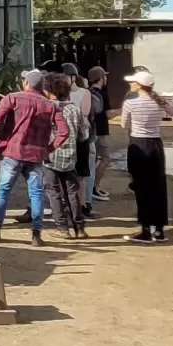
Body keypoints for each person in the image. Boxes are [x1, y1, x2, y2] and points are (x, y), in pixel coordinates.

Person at [0, 70, 67, 246]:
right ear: (42, 86)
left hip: (13, 152)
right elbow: (64, 132)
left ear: (27, 83)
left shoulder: (12, 98)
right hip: (36, 155)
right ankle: (36, 234)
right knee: (36, 194)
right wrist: (49, 148)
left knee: (4, 190)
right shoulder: (51, 105)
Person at [119, 68, 173, 243]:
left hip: (138, 145)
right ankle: (159, 230)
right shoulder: (160, 102)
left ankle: (145, 230)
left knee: (142, 188)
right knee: (157, 187)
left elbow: (123, 124)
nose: (130, 84)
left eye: (133, 82)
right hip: (156, 145)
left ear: (139, 85)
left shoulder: (131, 103)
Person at [42, 74, 87, 239]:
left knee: (53, 192)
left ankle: (62, 228)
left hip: (49, 157)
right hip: (70, 157)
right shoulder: (74, 108)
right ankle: (80, 228)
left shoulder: (46, 108)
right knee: (72, 192)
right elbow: (83, 135)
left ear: (48, 90)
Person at [60, 64, 93, 214]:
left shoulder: (84, 92)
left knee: (81, 174)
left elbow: (84, 112)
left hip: (80, 137)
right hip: (65, 137)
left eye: (64, 77)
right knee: (65, 172)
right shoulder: (59, 93)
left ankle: (83, 203)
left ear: (73, 77)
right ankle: (67, 203)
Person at [87, 66, 112, 203]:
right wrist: (124, 108)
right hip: (101, 130)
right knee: (106, 159)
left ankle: (93, 186)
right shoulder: (103, 94)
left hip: (92, 130)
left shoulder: (88, 92)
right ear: (100, 78)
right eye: (105, 76)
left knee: (95, 159)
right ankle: (94, 187)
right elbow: (108, 114)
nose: (106, 79)